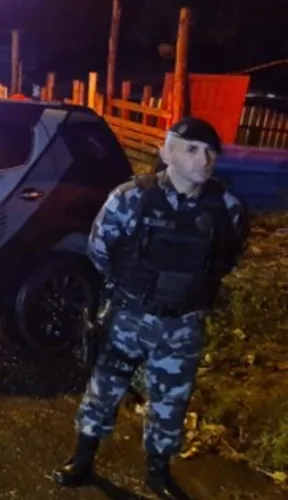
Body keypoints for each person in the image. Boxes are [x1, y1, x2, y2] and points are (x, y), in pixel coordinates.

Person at [53, 117, 250, 498]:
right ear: (166, 153)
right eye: (191, 149)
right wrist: (129, 290)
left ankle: (158, 474)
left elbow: (228, 255)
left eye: (210, 151)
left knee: (172, 400)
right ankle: (82, 460)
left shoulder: (227, 206)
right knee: (104, 390)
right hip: (130, 316)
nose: (203, 159)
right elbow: (99, 248)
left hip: (183, 324)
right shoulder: (131, 198)